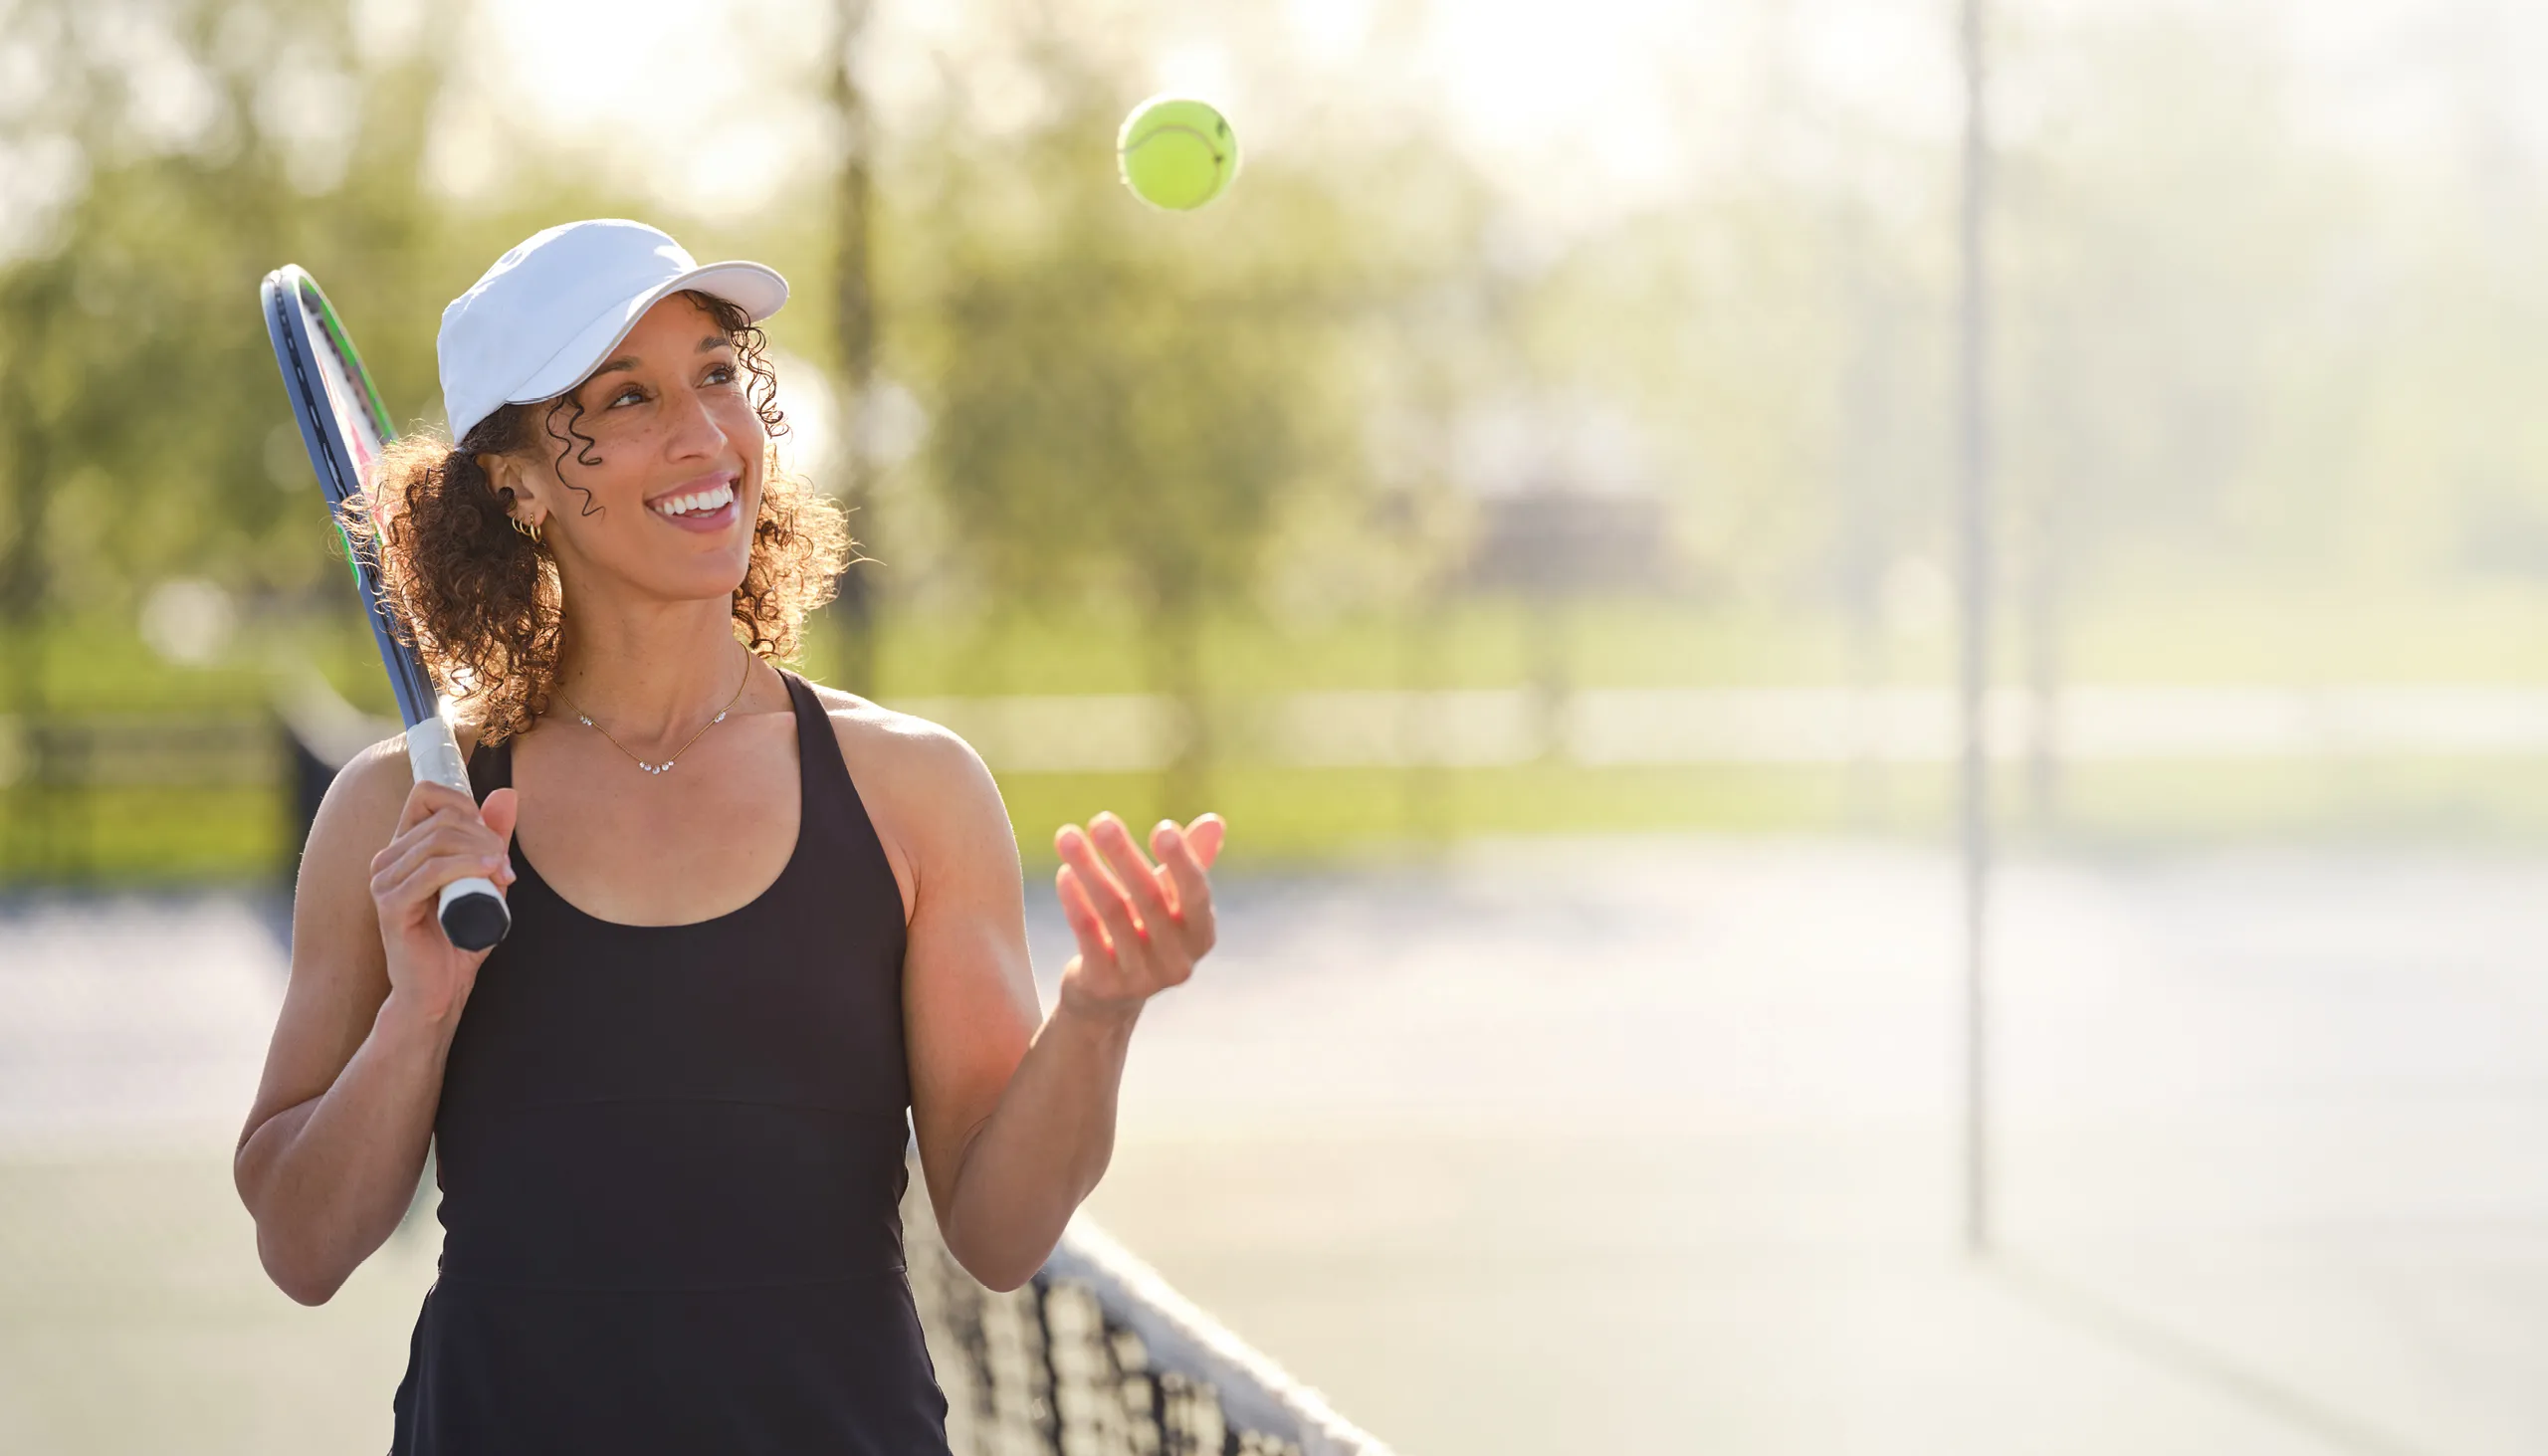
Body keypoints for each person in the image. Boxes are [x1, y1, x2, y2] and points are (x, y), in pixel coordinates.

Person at [232, 219, 1225, 1453]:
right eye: (628, 397)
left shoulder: (915, 792)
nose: (704, 433)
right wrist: (418, 1014)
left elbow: (999, 1231)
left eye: (715, 372)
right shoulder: (395, 815)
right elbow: (304, 1245)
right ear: (516, 483)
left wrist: (1096, 1012)